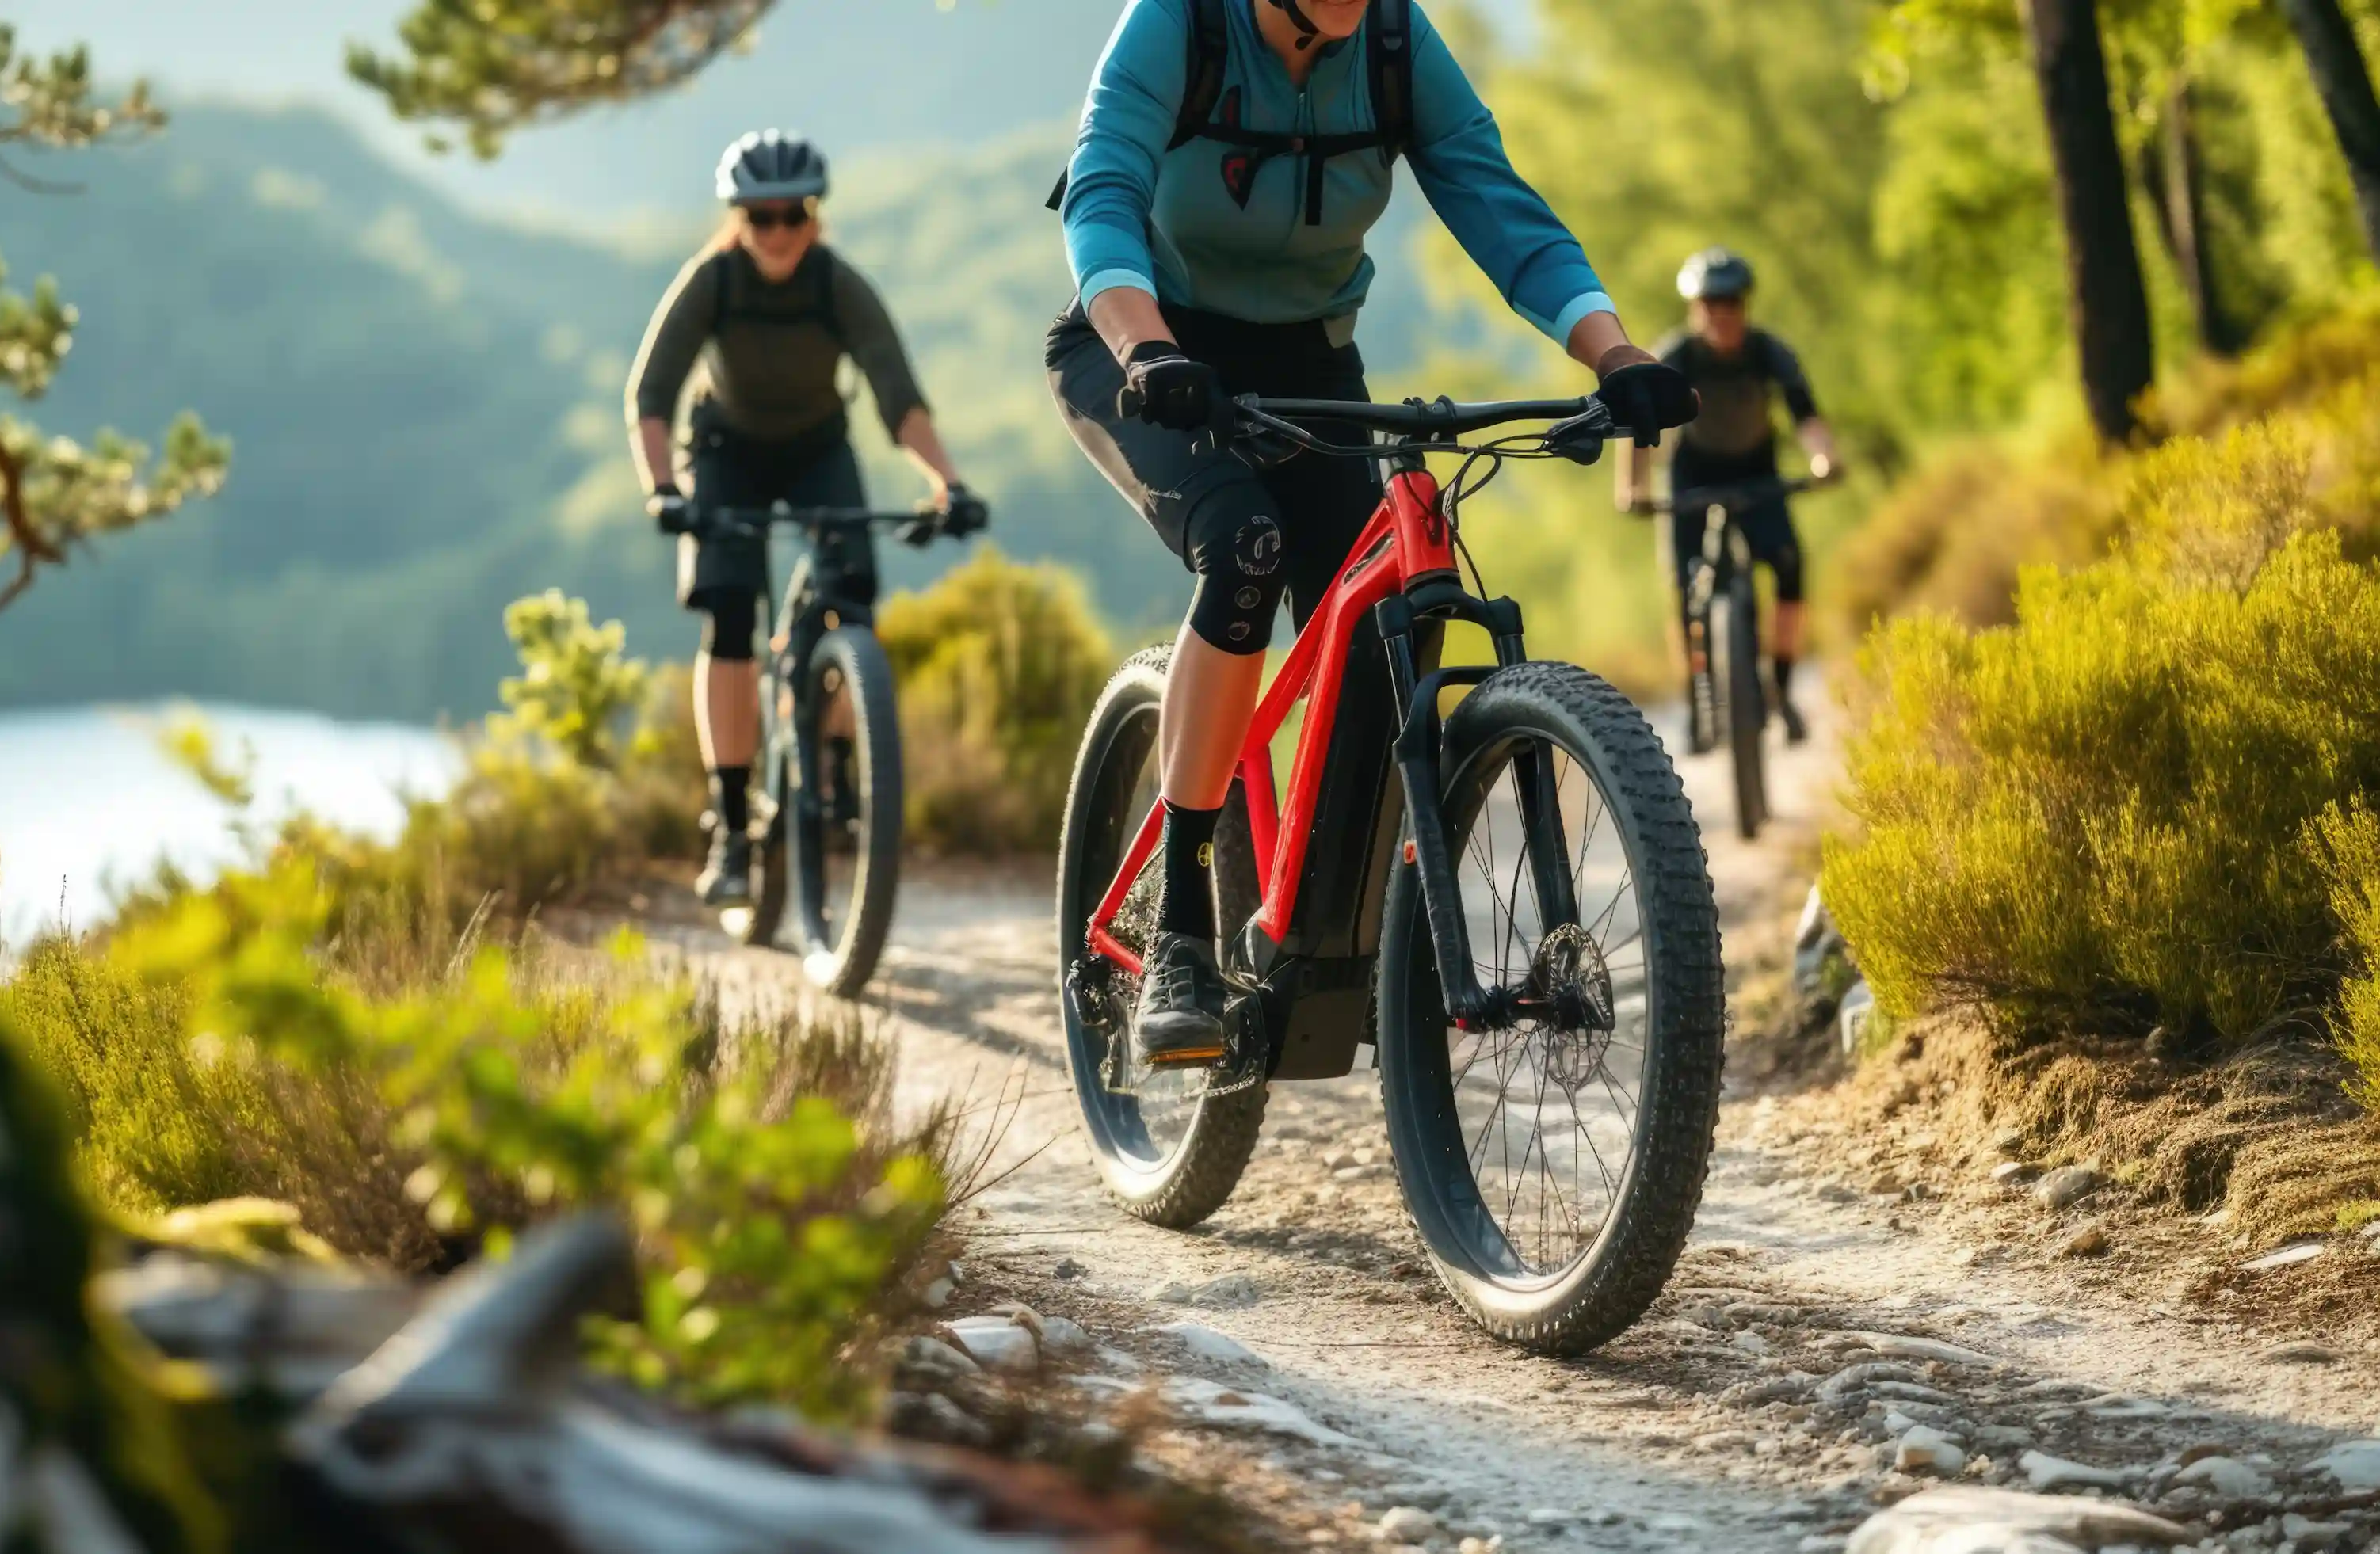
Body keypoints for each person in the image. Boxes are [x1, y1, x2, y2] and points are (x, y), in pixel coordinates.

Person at [1046, 0, 1698, 1068]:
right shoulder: (1181, 21)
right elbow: (1105, 185)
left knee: (1381, 613)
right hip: (1141, 345)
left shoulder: (1393, 42)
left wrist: (1613, 353)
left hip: (1306, 362)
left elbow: (1495, 202)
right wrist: (1148, 348)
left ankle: (1345, 931)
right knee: (1245, 546)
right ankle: (1181, 925)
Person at [629, 130, 985, 907]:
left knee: (849, 594)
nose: (780, 231)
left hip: (816, 447)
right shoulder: (712, 282)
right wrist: (664, 489)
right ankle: (729, 822)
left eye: (795, 214)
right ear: (736, 220)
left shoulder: (835, 286)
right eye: (762, 218)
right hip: (725, 452)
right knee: (727, 613)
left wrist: (947, 485)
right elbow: (650, 396)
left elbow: (897, 395)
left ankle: (832, 763)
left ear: (815, 215)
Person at [1615, 247, 1840, 745]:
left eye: (1731, 301)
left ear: (1745, 304)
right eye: (1710, 302)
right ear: (1695, 308)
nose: (1721, 312)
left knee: (1788, 564)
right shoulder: (1675, 356)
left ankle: (1780, 691)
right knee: (1685, 585)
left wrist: (1824, 458)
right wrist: (1632, 488)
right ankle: (1697, 694)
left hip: (1755, 468)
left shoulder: (1769, 352)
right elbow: (1639, 428)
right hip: (1691, 474)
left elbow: (1805, 413)